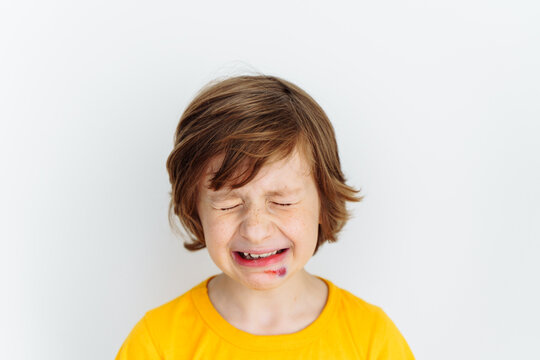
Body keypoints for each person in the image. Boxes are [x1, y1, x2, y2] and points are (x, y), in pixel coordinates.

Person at [115, 75, 415, 359]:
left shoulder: (372, 340)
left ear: (324, 202)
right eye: (229, 204)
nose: (256, 230)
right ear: (195, 211)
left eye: (282, 202)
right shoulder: (157, 343)